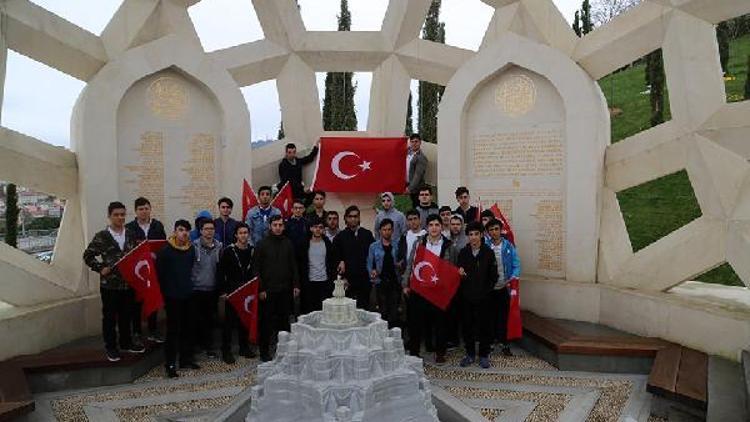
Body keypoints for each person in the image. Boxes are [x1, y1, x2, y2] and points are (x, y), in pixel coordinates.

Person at [83, 201, 144, 362]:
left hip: (127, 284)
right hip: (110, 285)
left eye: (122, 214)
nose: (120, 217)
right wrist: (100, 267)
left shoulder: (130, 233)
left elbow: (135, 255)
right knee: (110, 317)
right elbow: (88, 255)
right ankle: (111, 347)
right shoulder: (102, 236)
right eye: (116, 215)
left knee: (126, 315)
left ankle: (126, 342)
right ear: (109, 216)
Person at [402, 214, 458, 363]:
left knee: (441, 322)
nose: (434, 228)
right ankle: (414, 351)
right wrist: (406, 283)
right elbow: (410, 264)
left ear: (441, 227)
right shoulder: (419, 243)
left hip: (439, 290)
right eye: (431, 225)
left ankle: (440, 352)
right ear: (427, 227)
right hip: (420, 288)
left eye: (437, 225)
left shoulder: (449, 246)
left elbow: (452, 268)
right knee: (415, 322)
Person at [156, 220, 199, 377]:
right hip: (172, 296)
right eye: (181, 230)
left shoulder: (191, 250)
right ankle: (170, 363)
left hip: (188, 294)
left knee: (189, 328)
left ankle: (186, 358)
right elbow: (159, 275)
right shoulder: (165, 251)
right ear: (175, 232)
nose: (184, 233)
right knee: (173, 330)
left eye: (187, 230)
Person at [254, 215, 300, 361]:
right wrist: (260, 289)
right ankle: (264, 352)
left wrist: (296, 285)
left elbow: (293, 265)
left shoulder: (288, 243)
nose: (278, 227)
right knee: (266, 322)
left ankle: (285, 350)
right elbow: (256, 269)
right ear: (270, 226)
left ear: (283, 227)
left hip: (285, 290)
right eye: (275, 225)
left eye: (280, 225)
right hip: (268, 291)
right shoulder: (261, 244)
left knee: (284, 322)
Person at [457, 221, 499, 369]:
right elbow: (458, 274)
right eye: (470, 234)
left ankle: (483, 355)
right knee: (467, 326)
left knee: (485, 327)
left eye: (476, 234)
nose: (473, 237)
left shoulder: (488, 252)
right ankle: (469, 354)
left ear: (481, 235)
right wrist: (460, 274)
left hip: (484, 297)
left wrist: (486, 291)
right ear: (467, 236)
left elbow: (494, 276)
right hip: (467, 297)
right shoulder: (463, 252)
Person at [125, 197, 167, 344]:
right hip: (137, 272)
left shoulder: (157, 226)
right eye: (140, 209)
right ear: (135, 211)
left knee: (152, 300)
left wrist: (155, 254)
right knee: (136, 303)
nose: (144, 211)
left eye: (146, 208)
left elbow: (163, 246)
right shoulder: (129, 228)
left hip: (153, 271)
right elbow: (127, 250)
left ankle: (153, 330)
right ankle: (136, 331)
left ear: (150, 209)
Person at [218, 223, 256, 364]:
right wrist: (223, 291)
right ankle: (226, 350)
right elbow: (221, 272)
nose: (243, 235)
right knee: (229, 322)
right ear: (236, 235)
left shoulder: (252, 250)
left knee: (244, 320)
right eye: (241, 233)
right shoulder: (229, 251)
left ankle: (244, 347)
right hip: (232, 291)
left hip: (247, 290)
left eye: (246, 232)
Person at [485, 218, 521, 356]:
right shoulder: (486, 246)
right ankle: (490, 342)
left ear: (501, 230)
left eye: (496, 229)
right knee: (490, 316)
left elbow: (516, 264)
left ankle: (504, 342)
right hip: (490, 288)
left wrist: (512, 277)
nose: (494, 232)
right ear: (488, 232)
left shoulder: (508, 246)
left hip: (504, 287)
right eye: (491, 230)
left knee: (503, 316)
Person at [333, 205, 376, 310]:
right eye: (350, 216)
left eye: (356, 216)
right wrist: (342, 277)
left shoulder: (367, 234)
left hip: (364, 279)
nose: (353, 219)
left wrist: (373, 270)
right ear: (346, 218)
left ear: (359, 218)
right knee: (348, 310)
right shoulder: (340, 237)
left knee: (364, 309)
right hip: (348, 281)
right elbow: (335, 258)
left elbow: (373, 255)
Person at [191, 219, 222, 359]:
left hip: (212, 289)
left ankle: (210, 346)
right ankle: (197, 344)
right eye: (206, 229)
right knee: (197, 318)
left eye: (211, 228)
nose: (209, 231)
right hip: (197, 289)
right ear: (201, 231)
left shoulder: (219, 246)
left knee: (210, 319)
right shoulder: (193, 246)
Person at [367, 218, 401, 328]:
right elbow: (369, 263)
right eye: (384, 229)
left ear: (392, 230)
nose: (387, 232)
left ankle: (393, 336)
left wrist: (400, 265)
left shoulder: (397, 245)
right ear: (380, 231)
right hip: (380, 282)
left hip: (394, 282)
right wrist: (372, 272)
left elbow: (402, 261)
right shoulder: (373, 246)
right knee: (382, 311)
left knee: (394, 311)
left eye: (389, 229)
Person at [299, 216, 337, 313]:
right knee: (309, 312)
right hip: (309, 283)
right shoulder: (304, 244)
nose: (318, 230)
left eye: (320, 227)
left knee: (324, 313)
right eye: (315, 227)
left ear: (324, 229)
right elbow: (300, 264)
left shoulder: (328, 244)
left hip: (324, 283)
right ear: (311, 228)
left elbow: (332, 264)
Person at [406, 134, 428, 208]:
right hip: (406, 184)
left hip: (417, 189)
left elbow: (418, 175)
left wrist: (410, 188)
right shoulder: (407, 153)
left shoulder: (421, 157)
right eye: (412, 142)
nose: (414, 144)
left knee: (417, 208)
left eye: (416, 141)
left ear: (420, 143)